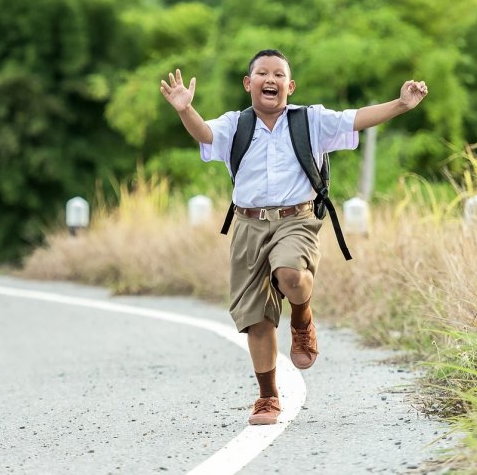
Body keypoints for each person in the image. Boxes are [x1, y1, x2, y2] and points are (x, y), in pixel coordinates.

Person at [159, 49, 428, 426]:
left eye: (279, 74)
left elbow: (357, 118)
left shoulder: (311, 121)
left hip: (296, 220)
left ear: (290, 84)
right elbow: (204, 133)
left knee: (290, 274)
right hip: (248, 225)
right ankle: (268, 397)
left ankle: (302, 317)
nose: (271, 80)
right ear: (248, 83)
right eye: (262, 74)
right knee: (257, 319)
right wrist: (185, 109)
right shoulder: (235, 125)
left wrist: (401, 104)